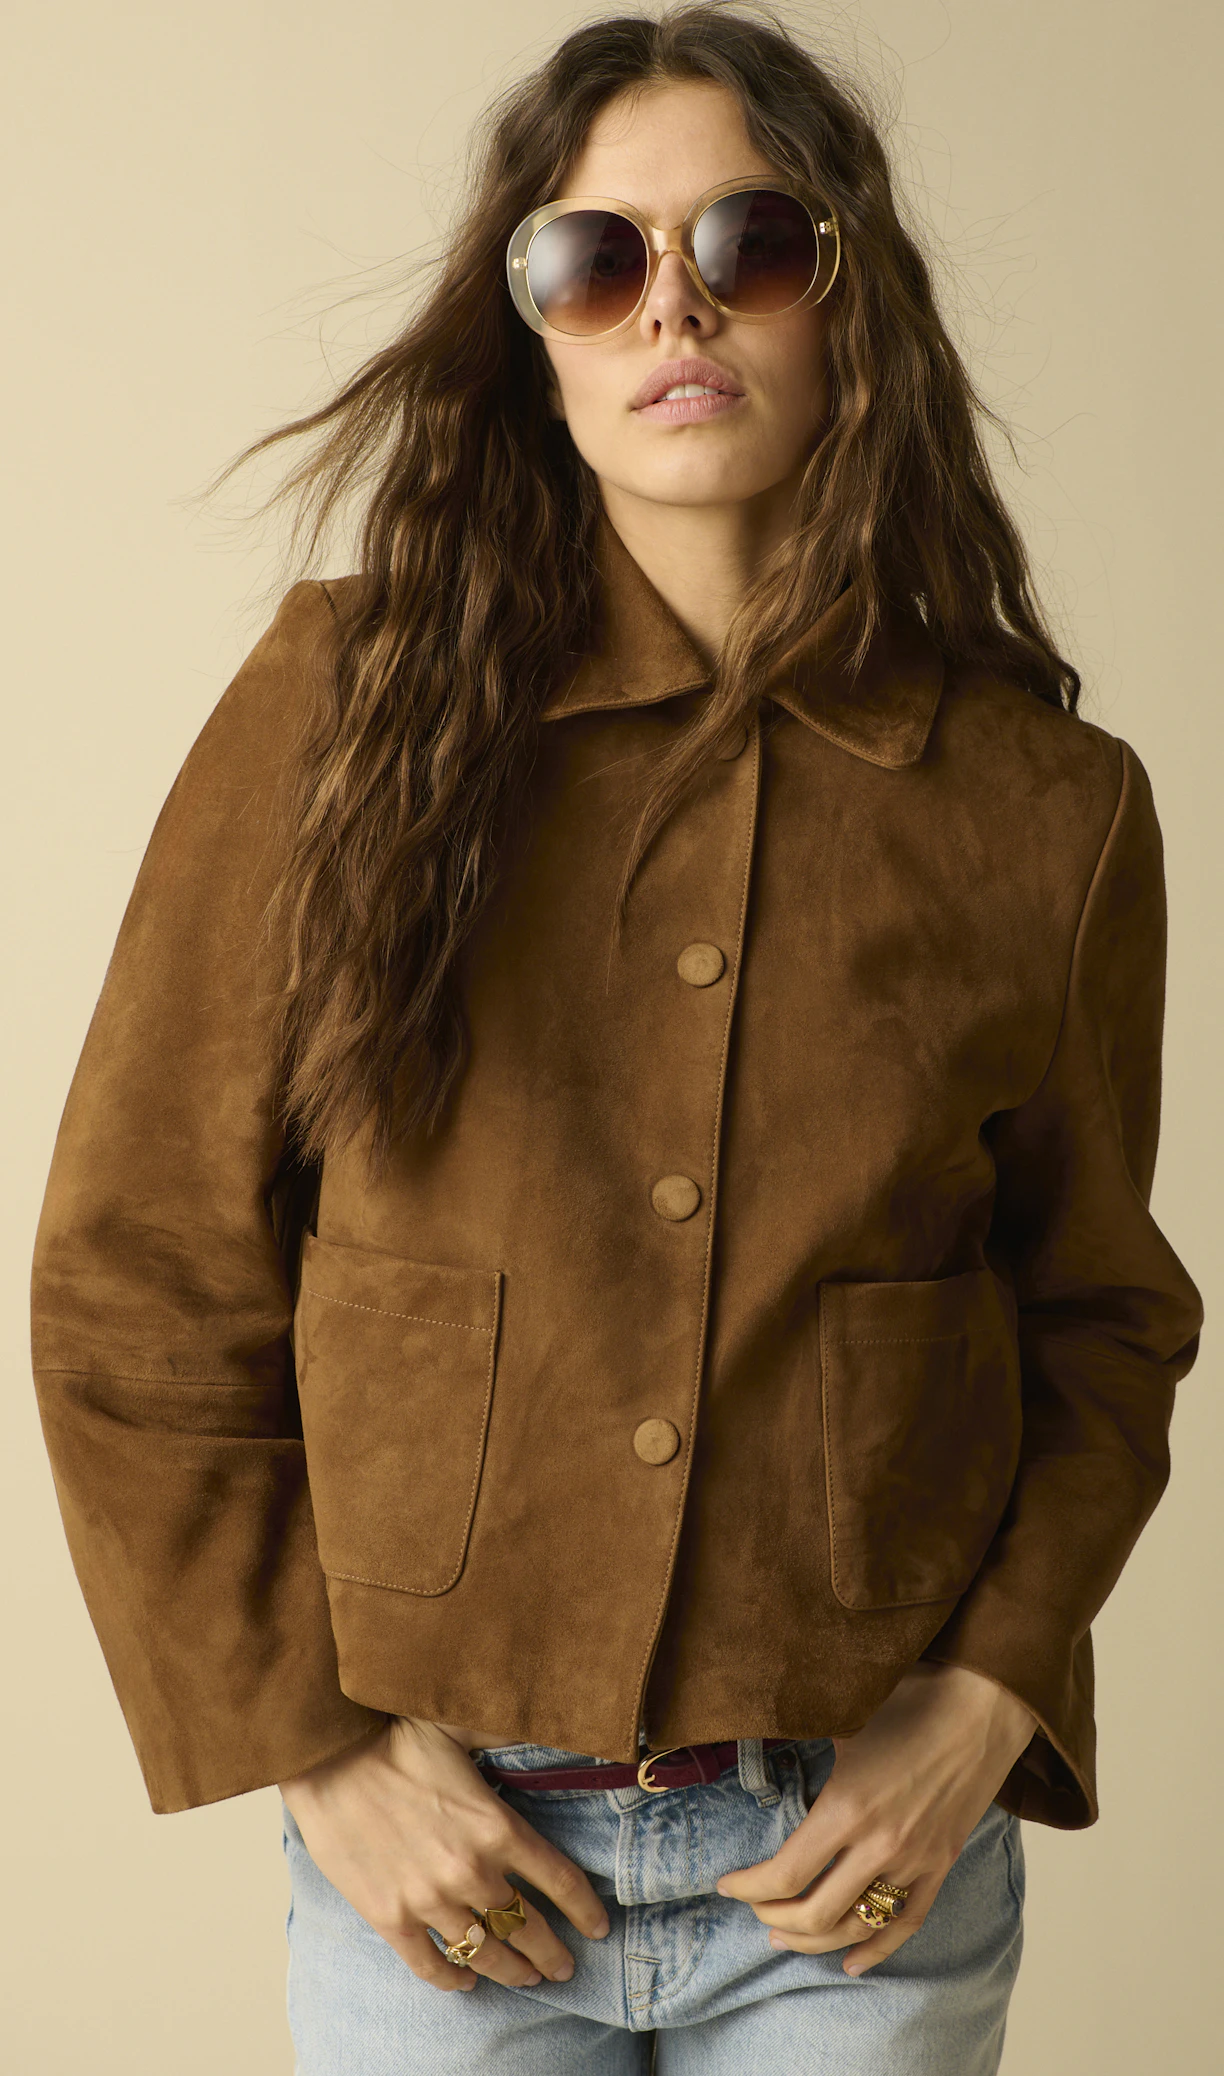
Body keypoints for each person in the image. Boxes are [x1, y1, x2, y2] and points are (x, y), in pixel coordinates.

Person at [30, 7, 1203, 2073]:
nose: (672, 304)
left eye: (751, 242)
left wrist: (984, 1704)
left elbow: (1099, 1318)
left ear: (849, 298)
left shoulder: (1048, 810)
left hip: (854, 1875)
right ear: (536, 340)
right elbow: (138, 1267)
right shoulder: (342, 714)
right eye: (594, 260)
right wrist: (319, 1749)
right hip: (446, 1863)